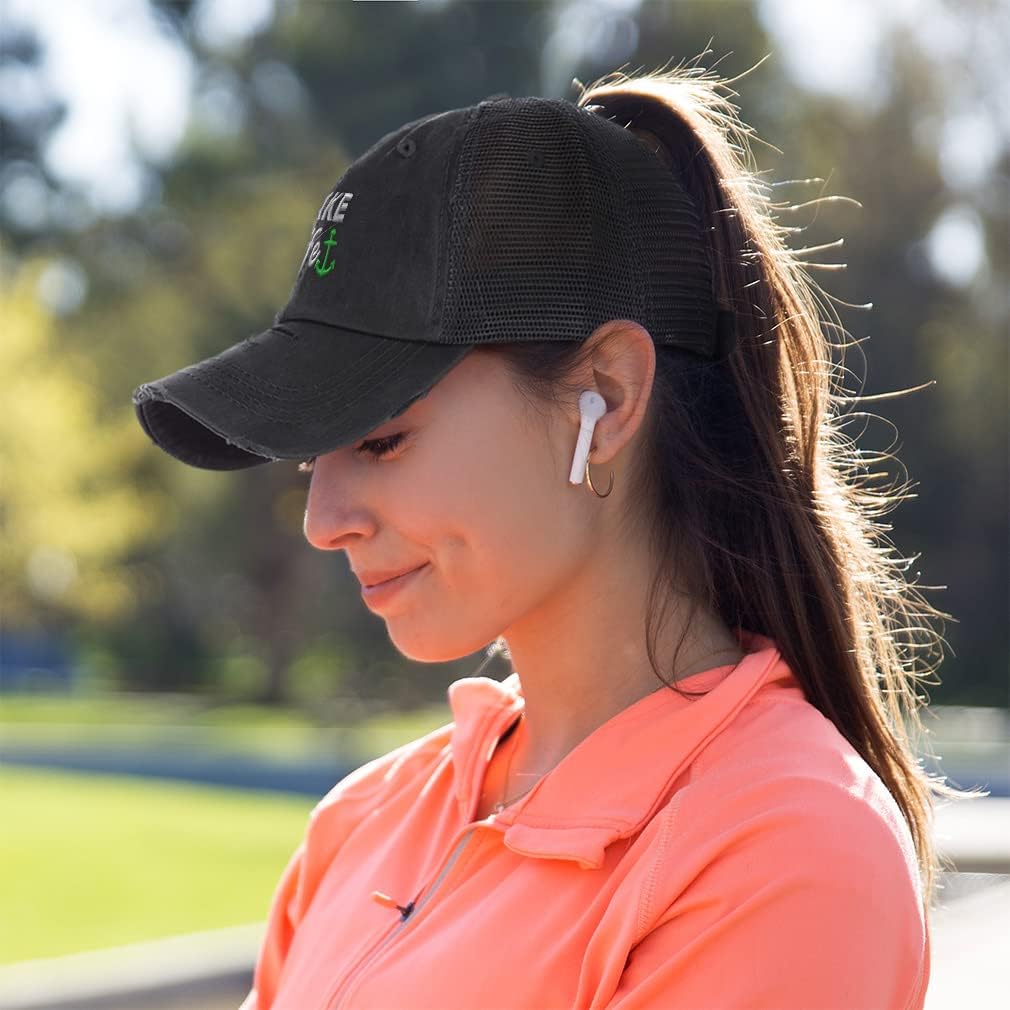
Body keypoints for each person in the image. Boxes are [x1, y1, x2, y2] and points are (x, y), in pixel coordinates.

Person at [131, 63, 968, 1010]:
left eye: (381, 439)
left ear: (605, 396)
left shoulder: (784, 854)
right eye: (309, 459)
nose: (324, 522)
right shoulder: (364, 820)